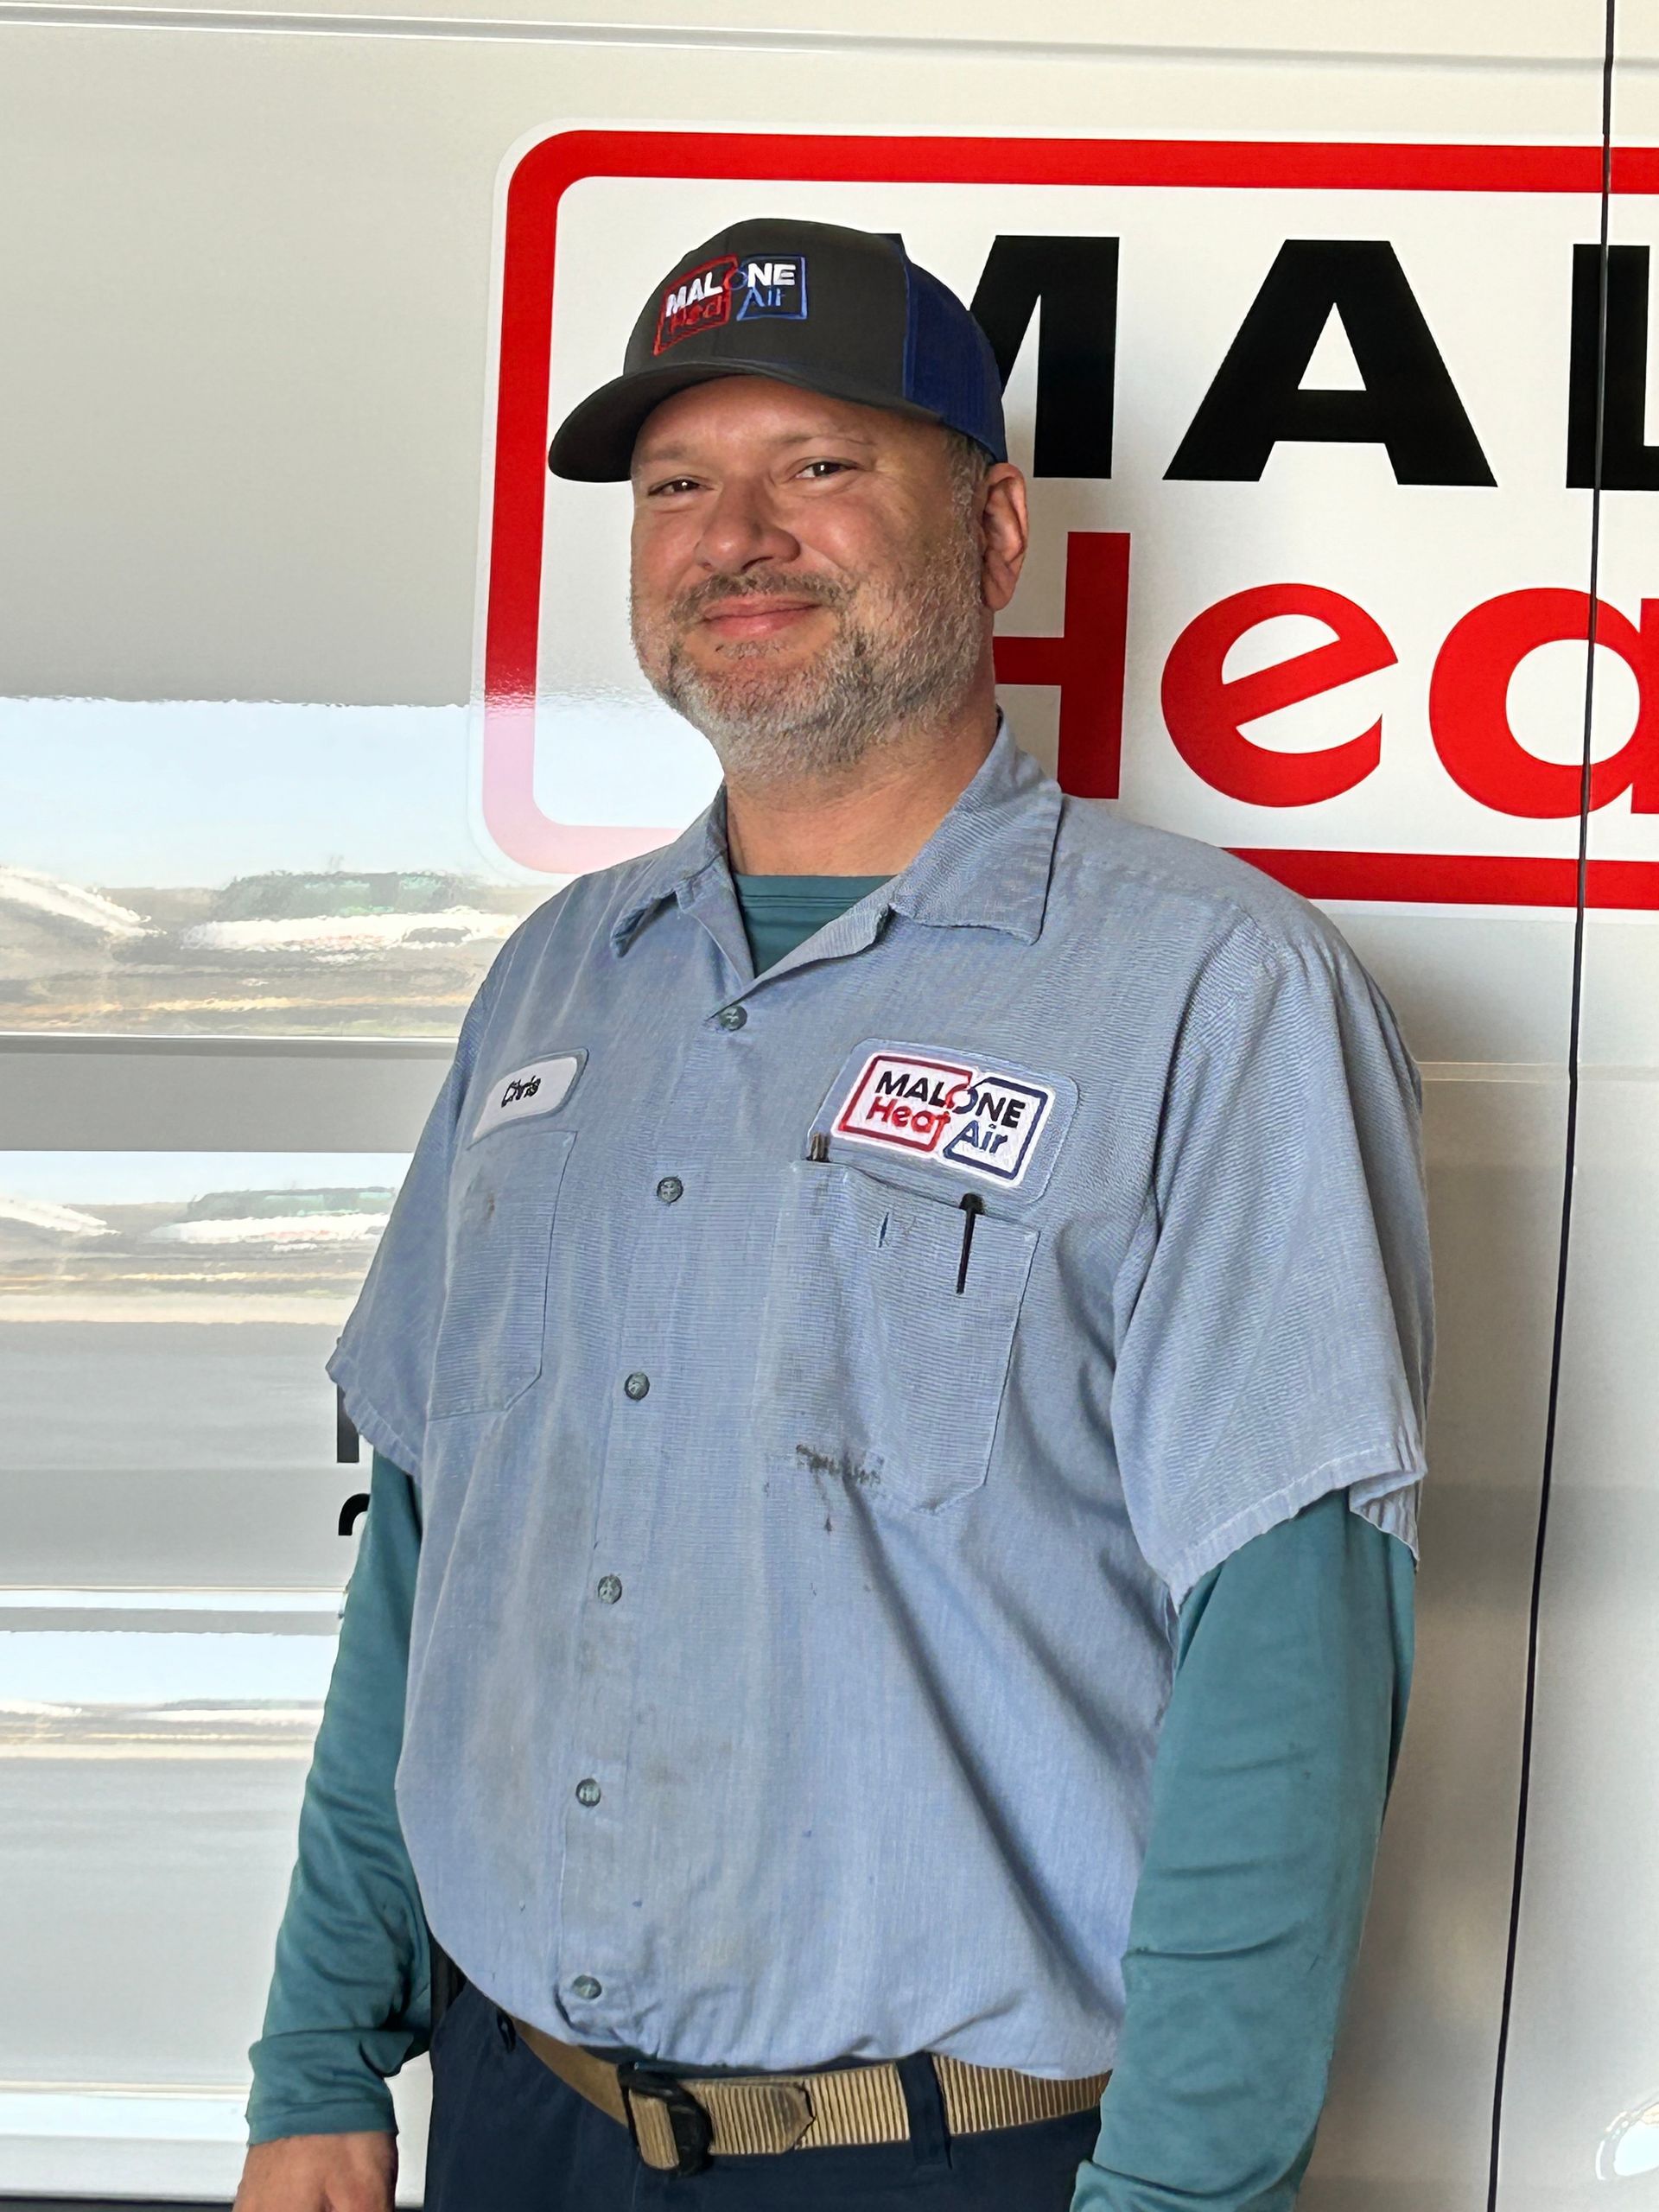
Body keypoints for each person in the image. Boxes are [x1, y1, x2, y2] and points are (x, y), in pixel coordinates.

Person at [234, 218, 1430, 2212]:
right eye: (676, 485)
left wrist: (1180, 2197)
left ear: (996, 527)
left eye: (820, 465)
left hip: (951, 2159)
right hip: (516, 2122)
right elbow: (428, 1566)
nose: (736, 536)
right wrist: (313, 2058)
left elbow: (1287, 1663)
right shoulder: (556, 983)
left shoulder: (1213, 994)